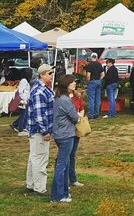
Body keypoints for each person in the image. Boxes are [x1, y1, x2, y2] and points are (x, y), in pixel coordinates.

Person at [50, 75, 82, 203]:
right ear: (66, 84)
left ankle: (63, 192)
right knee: (62, 165)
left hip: (60, 134)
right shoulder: (65, 100)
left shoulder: (59, 98)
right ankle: (57, 195)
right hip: (66, 135)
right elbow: (74, 117)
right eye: (72, 82)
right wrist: (78, 116)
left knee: (64, 163)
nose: (74, 84)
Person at [26, 64, 55, 195]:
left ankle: (31, 184)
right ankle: (39, 188)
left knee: (34, 157)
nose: (52, 75)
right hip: (39, 130)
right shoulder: (39, 91)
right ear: (42, 75)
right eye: (49, 73)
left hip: (38, 130)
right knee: (40, 158)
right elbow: (39, 115)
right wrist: (46, 131)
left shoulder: (42, 88)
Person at [69, 87, 86, 188]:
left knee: (72, 154)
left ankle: (73, 178)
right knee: (66, 154)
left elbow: (82, 108)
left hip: (76, 128)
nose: (74, 84)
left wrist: (80, 116)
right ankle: (65, 179)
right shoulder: (63, 98)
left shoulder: (77, 97)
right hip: (67, 129)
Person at [84, 53, 103, 119]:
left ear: (91, 57)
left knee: (91, 99)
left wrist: (88, 81)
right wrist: (99, 79)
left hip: (92, 82)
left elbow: (88, 75)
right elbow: (103, 74)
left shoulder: (90, 65)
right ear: (97, 57)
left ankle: (90, 115)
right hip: (98, 81)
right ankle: (96, 114)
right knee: (97, 98)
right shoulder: (99, 64)